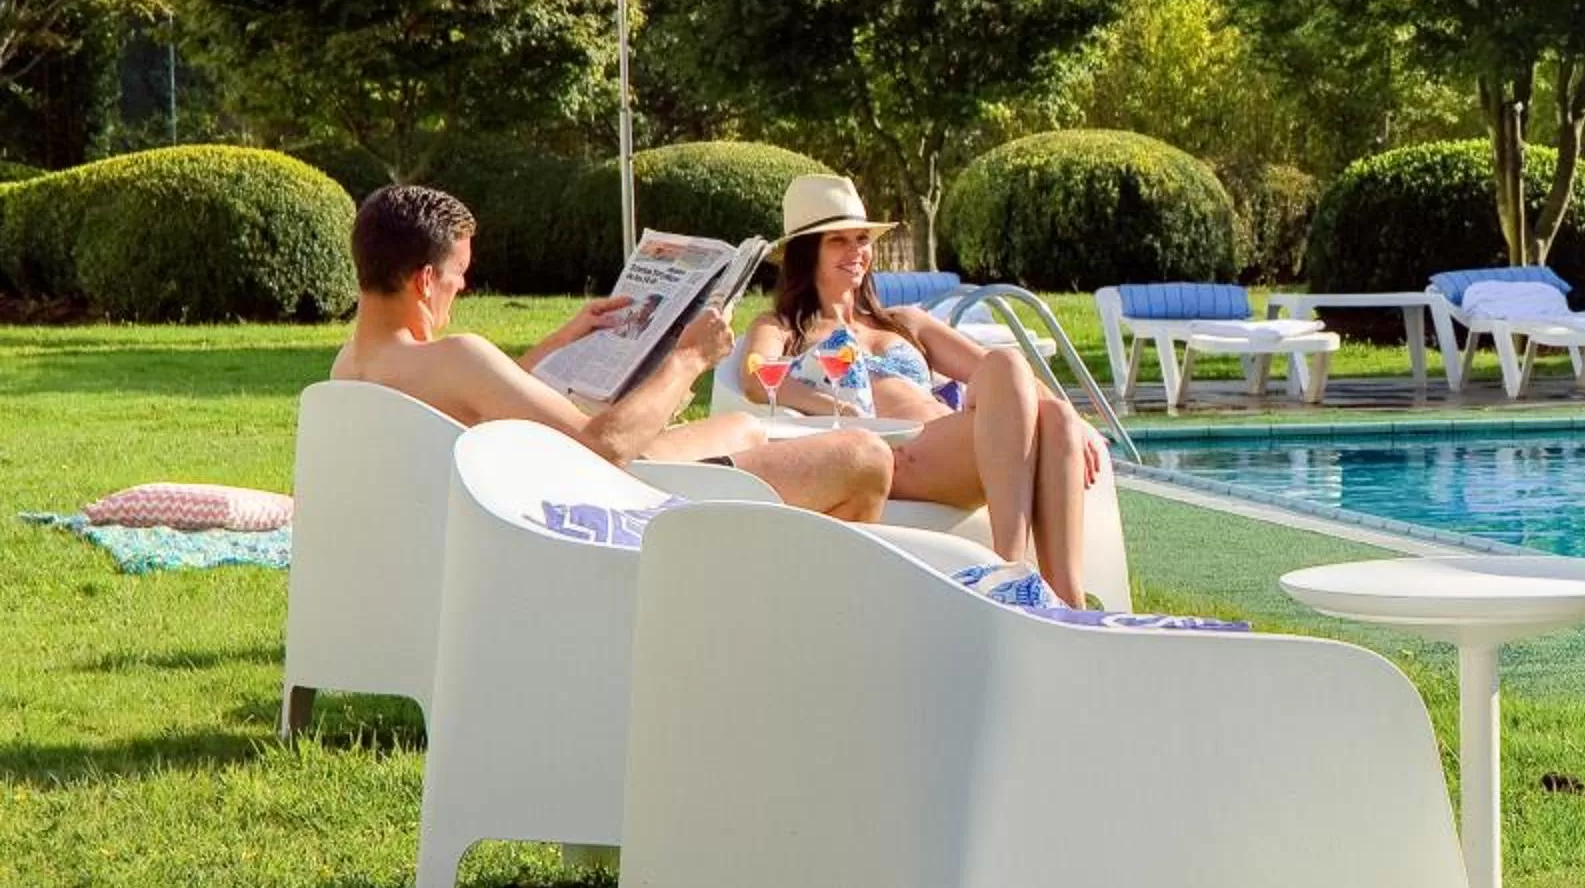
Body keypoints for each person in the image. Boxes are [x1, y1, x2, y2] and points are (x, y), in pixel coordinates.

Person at [331, 184, 892, 521]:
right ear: (426, 281)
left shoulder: (350, 369)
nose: (464, 286)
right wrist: (689, 358)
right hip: (593, 508)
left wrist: (563, 339)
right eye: (460, 273)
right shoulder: (457, 357)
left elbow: (469, 401)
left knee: (743, 427)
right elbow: (605, 448)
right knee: (866, 459)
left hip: (519, 496)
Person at [741, 175, 1107, 604]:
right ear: (807, 253)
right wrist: (828, 402)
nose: (856, 252)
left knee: (1042, 400)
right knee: (1027, 388)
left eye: (862, 239)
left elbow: (1004, 374)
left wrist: (1077, 420)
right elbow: (757, 374)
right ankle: (1006, 572)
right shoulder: (786, 327)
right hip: (898, 454)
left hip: (966, 443)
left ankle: (1069, 603)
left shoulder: (905, 321)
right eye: (838, 241)